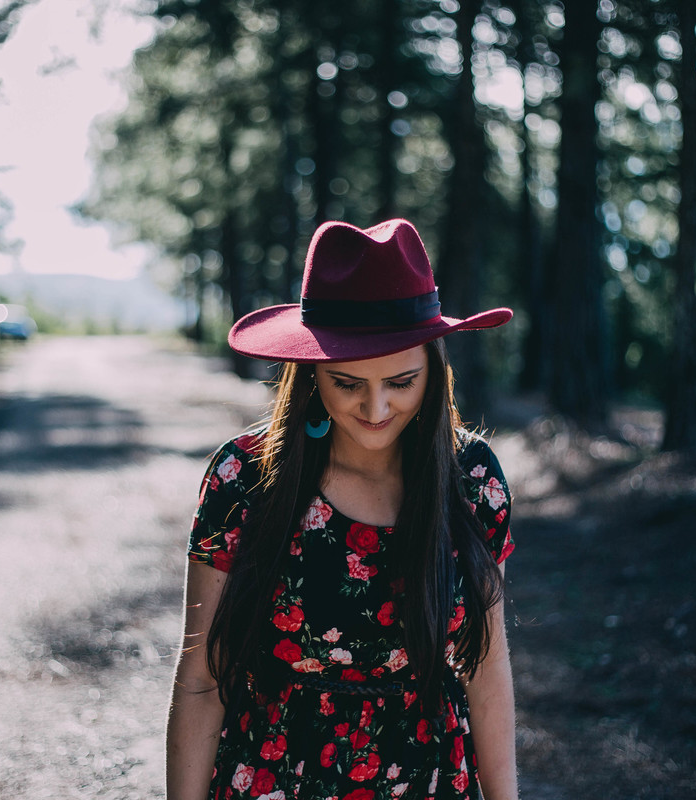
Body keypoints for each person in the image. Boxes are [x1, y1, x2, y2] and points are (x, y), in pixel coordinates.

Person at [166, 218, 518, 800]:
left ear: (435, 368)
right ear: (309, 373)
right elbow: (203, 679)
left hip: (428, 781)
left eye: (401, 382)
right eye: (348, 382)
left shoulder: (473, 480)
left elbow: (487, 669)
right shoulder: (246, 478)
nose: (376, 408)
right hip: (276, 779)